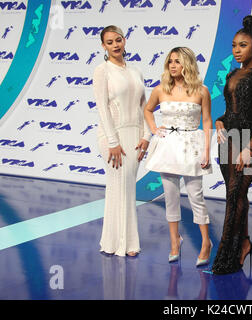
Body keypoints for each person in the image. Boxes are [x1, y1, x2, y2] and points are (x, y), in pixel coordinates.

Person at [211, 15, 252, 275]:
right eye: (235, 45)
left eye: (244, 45)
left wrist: (249, 146)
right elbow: (229, 112)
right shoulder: (232, 73)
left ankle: (226, 253)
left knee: (234, 193)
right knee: (236, 194)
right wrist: (218, 122)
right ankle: (244, 243)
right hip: (229, 140)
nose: (238, 50)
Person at [144, 47, 213, 266]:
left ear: (188, 64)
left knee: (196, 197)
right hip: (168, 147)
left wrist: (207, 151)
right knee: (170, 197)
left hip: (192, 146)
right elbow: (147, 110)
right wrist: (155, 128)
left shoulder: (202, 91)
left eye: (178, 61)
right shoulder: (160, 90)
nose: (173, 65)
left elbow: (208, 121)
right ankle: (175, 241)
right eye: (170, 61)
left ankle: (206, 243)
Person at [93, 25, 151, 257]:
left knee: (128, 188)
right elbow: (102, 108)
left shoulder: (136, 71)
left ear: (124, 40)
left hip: (135, 136)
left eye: (118, 40)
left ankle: (125, 242)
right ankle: (116, 243)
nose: (115, 45)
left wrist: (146, 136)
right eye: (110, 42)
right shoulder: (102, 70)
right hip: (113, 136)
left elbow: (144, 106)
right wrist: (112, 141)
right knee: (118, 186)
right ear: (103, 46)